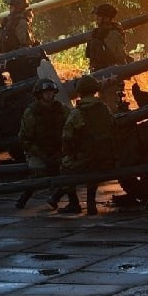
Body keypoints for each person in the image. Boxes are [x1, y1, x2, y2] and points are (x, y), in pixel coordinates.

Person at [50, 75, 114, 216]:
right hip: (106, 156)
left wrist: (71, 154)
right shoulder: (105, 109)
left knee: (65, 168)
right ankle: (91, 203)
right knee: (94, 168)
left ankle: (74, 204)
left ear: (80, 92)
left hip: (86, 157)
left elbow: (67, 139)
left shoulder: (77, 114)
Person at [14, 78, 66, 210]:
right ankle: (24, 198)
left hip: (57, 150)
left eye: (51, 92)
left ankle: (63, 199)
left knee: (69, 171)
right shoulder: (31, 113)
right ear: (39, 94)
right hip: (37, 151)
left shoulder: (60, 109)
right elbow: (24, 138)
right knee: (39, 172)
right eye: (46, 92)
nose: (49, 94)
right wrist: (41, 155)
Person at [84, 3, 128, 109]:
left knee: (113, 107)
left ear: (107, 18)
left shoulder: (112, 34)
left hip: (111, 75)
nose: (97, 19)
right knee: (104, 106)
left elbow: (118, 56)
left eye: (99, 16)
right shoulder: (98, 33)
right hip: (100, 74)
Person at [0, 0, 40, 84]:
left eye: (11, 6)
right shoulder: (9, 21)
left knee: (23, 84)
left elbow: (26, 43)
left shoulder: (21, 22)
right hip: (11, 60)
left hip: (20, 61)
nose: (10, 9)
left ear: (17, 7)